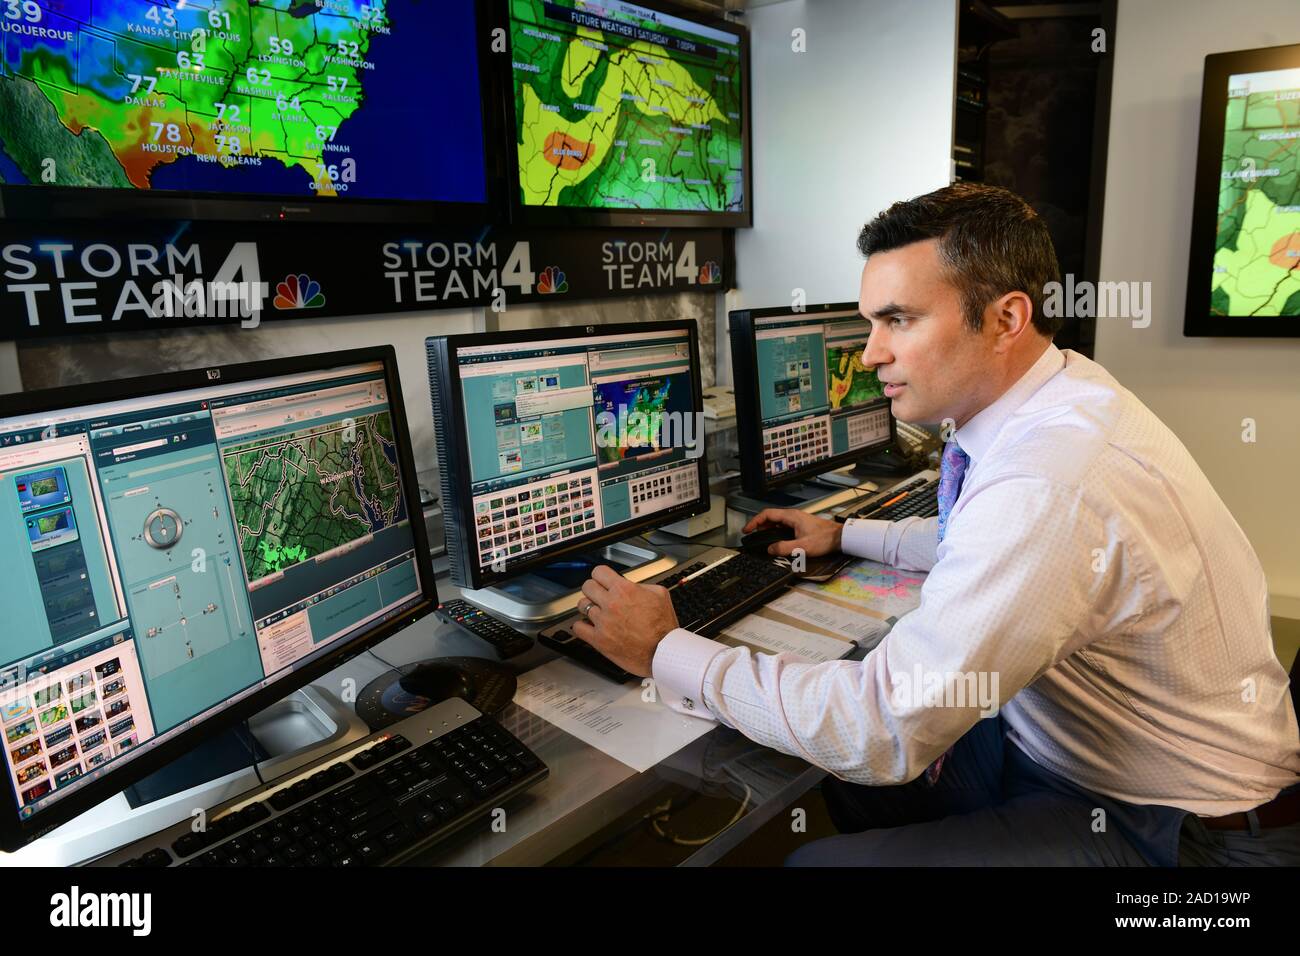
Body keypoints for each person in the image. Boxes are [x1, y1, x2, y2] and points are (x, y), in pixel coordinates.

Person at [570, 182, 1300, 865]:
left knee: (816, 850)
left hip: (1175, 826)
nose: (870, 353)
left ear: (1007, 319)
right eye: (870, 322)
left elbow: (881, 729)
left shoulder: (1053, 479)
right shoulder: (1063, 393)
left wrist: (666, 648)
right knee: (848, 782)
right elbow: (980, 540)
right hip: (1075, 752)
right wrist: (844, 534)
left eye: (899, 320)